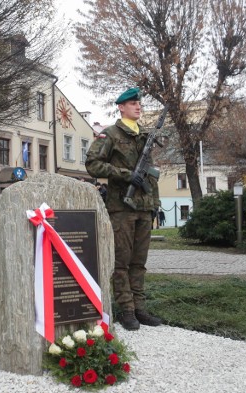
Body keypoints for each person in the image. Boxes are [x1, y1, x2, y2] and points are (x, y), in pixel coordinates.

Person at [85, 87, 162, 331]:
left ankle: (139, 307)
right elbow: (93, 164)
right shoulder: (110, 134)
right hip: (121, 207)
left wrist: (154, 204)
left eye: (139, 103)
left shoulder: (144, 136)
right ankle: (126, 310)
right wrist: (125, 175)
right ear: (121, 107)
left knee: (139, 262)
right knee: (122, 261)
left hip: (144, 207)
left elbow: (150, 175)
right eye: (132, 103)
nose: (138, 107)